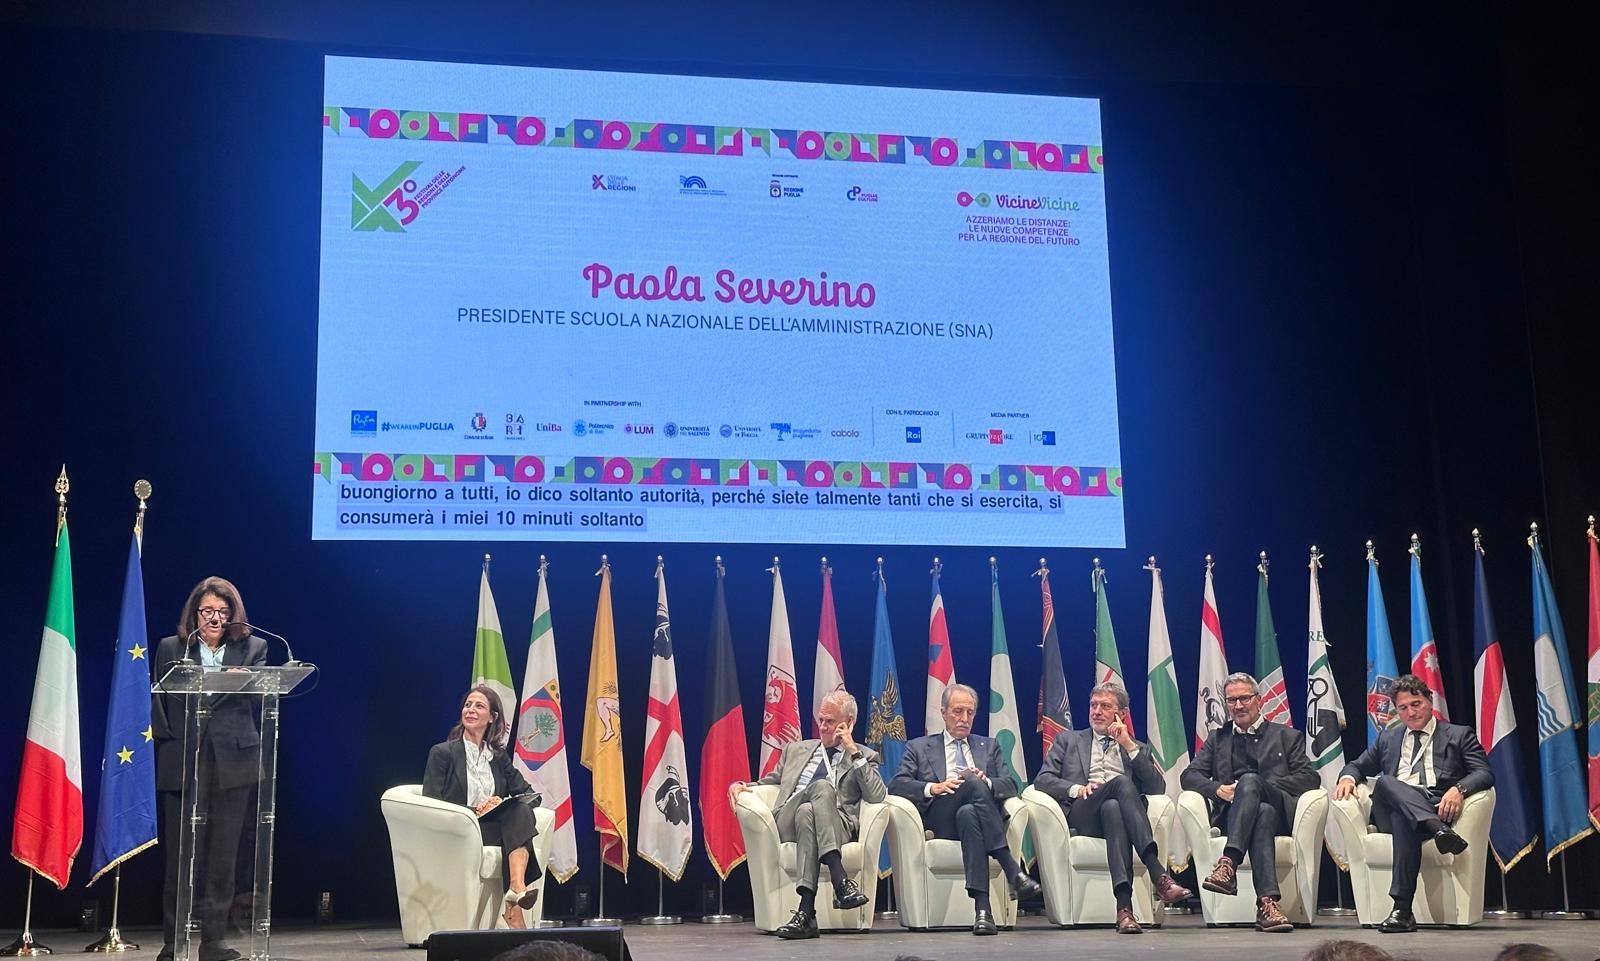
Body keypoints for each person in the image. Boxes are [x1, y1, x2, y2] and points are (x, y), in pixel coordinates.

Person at [151, 577, 269, 961]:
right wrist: (169, 745)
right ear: (195, 613)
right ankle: (175, 941)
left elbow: (262, 695)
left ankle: (213, 942)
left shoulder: (254, 647)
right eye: (207, 611)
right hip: (185, 758)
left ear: (233, 614)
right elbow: (158, 701)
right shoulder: (171, 647)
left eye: (222, 611)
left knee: (223, 856)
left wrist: (244, 682)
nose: (215, 618)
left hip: (233, 760)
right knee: (181, 856)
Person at [1332, 673, 1493, 933]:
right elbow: (1356, 765)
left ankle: (1402, 910)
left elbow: (1484, 773)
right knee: (1386, 782)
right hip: (1393, 806)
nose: (1411, 712)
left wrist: (1458, 789)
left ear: (1429, 701)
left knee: (1403, 818)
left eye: (1416, 704)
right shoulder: (1388, 738)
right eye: (1403, 708)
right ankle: (1438, 831)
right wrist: (1348, 778)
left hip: (1433, 805)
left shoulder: (1458, 734)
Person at [1032, 682, 1193, 933]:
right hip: (1084, 811)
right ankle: (1158, 873)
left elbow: (1156, 788)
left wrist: (1129, 746)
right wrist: (1077, 789)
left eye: (1105, 706)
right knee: (1121, 783)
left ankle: (1124, 910)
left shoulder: (1137, 748)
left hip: (1119, 816)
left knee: (1113, 808)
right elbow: (1043, 779)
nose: (1096, 711)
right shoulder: (1068, 740)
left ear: (1122, 714)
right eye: (1093, 705)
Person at [730, 690, 885, 940]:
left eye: (830, 722)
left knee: (808, 812)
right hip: (787, 820)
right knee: (819, 790)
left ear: (848, 723)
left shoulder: (865, 756)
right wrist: (741, 785)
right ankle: (840, 880)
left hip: (836, 825)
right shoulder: (796, 750)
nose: (822, 727)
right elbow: (769, 781)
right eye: (820, 720)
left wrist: (853, 751)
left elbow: (877, 795)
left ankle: (805, 913)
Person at [890, 683, 1041, 936]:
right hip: (940, 817)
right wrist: (934, 787)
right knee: (971, 782)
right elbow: (897, 784)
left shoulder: (989, 746)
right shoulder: (919, 747)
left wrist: (987, 782)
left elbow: (1010, 784)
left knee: (969, 812)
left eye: (970, 712)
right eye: (958, 711)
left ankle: (983, 912)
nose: (964, 718)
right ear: (943, 713)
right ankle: (1011, 868)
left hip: (976, 819)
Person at [1180, 671, 1318, 933]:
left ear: (1259, 700)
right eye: (1232, 700)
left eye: (1244, 698)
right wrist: (1218, 789)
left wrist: (1258, 786)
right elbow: (1189, 776)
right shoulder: (1217, 738)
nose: (1238, 705)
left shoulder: (1287, 736)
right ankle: (1268, 904)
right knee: (1261, 812)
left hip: (1280, 812)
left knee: (1253, 784)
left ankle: (1228, 863)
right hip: (1236, 817)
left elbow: (1310, 778)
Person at [423, 686, 544, 929]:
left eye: (479, 706)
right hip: (460, 830)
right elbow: (431, 803)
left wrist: (499, 803)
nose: (470, 710)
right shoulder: (443, 753)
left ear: (492, 717)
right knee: (518, 830)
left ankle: (516, 888)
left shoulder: (498, 757)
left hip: (491, 831)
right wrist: (475, 810)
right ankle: (515, 905)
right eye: (468, 705)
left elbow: (531, 796)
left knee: (520, 811)